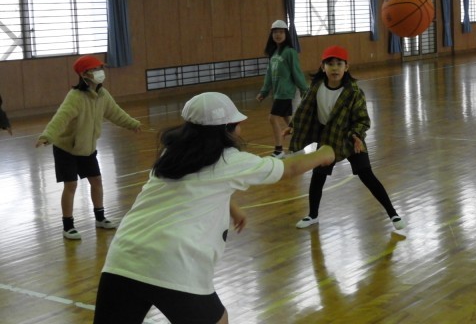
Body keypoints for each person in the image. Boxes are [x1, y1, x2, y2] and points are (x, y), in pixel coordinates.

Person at [93, 92, 335, 324]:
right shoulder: (230, 159)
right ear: (226, 130)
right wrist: (325, 152)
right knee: (218, 320)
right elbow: (289, 168)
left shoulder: (173, 153)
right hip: (174, 262)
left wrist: (231, 207)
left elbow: (193, 186)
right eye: (237, 124)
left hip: (123, 258)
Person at [286, 45, 406, 231]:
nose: (334, 68)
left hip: (351, 137)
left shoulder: (354, 92)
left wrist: (357, 136)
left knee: (367, 175)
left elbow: (362, 119)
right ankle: (313, 215)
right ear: (322, 67)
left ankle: (393, 213)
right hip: (328, 137)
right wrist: (293, 125)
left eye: (339, 64)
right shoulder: (316, 88)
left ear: (346, 67)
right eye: (330, 64)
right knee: (318, 176)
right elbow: (305, 109)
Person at [36, 55, 141, 240]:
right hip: (66, 149)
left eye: (101, 68)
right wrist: (48, 135)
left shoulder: (103, 95)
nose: (100, 72)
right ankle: (68, 226)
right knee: (71, 185)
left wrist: (132, 123)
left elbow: (115, 112)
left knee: (97, 182)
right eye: (95, 69)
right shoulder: (75, 97)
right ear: (84, 74)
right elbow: (61, 118)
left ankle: (100, 218)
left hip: (87, 149)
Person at [256, 19, 308, 158]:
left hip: (285, 92)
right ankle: (299, 146)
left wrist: (304, 89)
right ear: (271, 35)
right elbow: (269, 74)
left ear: (286, 34)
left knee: (272, 118)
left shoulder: (290, 52)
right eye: (275, 32)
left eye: (281, 32)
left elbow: (297, 72)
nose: (278, 35)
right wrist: (264, 91)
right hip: (277, 93)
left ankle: (279, 150)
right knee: (289, 121)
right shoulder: (273, 54)